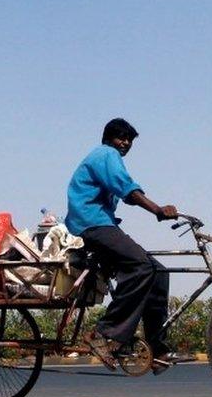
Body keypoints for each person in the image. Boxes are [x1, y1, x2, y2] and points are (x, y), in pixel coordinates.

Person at [65, 118, 181, 373]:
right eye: (121, 137)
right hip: (91, 224)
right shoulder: (105, 154)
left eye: (129, 140)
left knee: (159, 272)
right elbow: (127, 189)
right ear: (108, 138)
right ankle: (102, 333)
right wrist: (157, 210)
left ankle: (156, 347)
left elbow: (124, 192)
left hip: (102, 224)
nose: (125, 143)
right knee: (140, 266)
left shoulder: (108, 157)